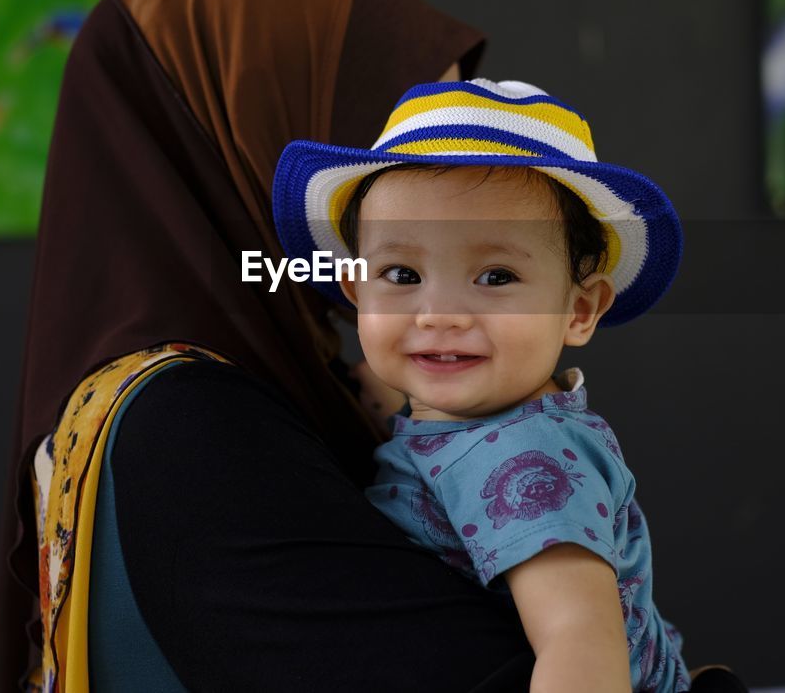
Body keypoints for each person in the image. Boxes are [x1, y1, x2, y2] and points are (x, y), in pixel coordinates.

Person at [0, 0, 547, 692]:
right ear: (271, 134)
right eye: (406, 146)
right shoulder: (188, 428)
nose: (454, 190)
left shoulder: (279, 377)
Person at [272, 79, 748, 692]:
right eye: (402, 273)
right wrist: (386, 396)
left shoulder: (525, 462)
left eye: (495, 276)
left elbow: (579, 637)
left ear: (578, 310)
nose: (438, 313)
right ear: (356, 291)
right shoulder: (471, 424)